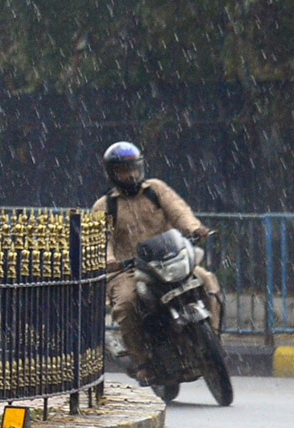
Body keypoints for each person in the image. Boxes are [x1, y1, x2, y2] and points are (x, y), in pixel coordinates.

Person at [91, 141, 223, 385]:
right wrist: (109, 258)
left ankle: (213, 337)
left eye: (133, 168)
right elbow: (101, 238)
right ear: (112, 174)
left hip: (170, 258)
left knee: (207, 280)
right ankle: (142, 362)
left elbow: (179, 211)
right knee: (126, 305)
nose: (130, 174)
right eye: (122, 170)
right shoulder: (105, 205)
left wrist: (195, 228)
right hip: (130, 270)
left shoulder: (156, 189)